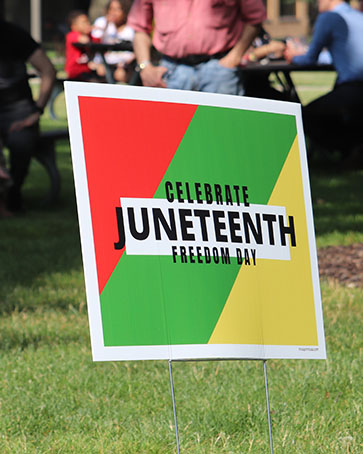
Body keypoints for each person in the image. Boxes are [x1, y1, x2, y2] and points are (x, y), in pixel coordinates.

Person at [127, 0, 266, 95]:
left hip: (219, 69)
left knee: (220, 132)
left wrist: (233, 58)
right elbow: (140, 28)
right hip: (170, 70)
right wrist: (145, 66)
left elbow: (255, 18)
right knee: (172, 133)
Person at [284, 0, 363, 153]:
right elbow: (341, 54)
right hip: (356, 89)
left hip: (353, 88)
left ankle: (347, 149)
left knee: (304, 115)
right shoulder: (358, 16)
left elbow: (309, 59)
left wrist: (293, 56)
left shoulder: (329, 17)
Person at [0, 19, 56, 211]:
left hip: (19, 108)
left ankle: (12, 193)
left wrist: (37, 111)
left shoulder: (13, 34)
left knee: (21, 142)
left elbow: (48, 70)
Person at [92, 0, 135, 83]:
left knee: (122, 77)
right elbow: (95, 41)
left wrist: (122, 66)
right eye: (111, 9)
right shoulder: (102, 22)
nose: (113, 12)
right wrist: (106, 24)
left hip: (125, 66)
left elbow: (136, 50)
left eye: (117, 9)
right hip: (103, 63)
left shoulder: (131, 27)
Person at [65, 10, 104, 81]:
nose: (87, 24)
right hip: (76, 71)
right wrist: (90, 29)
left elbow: (99, 43)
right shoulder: (72, 35)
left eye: (88, 22)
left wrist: (100, 31)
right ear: (74, 26)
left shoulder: (90, 36)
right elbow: (84, 40)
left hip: (88, 70)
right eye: (84, 22)